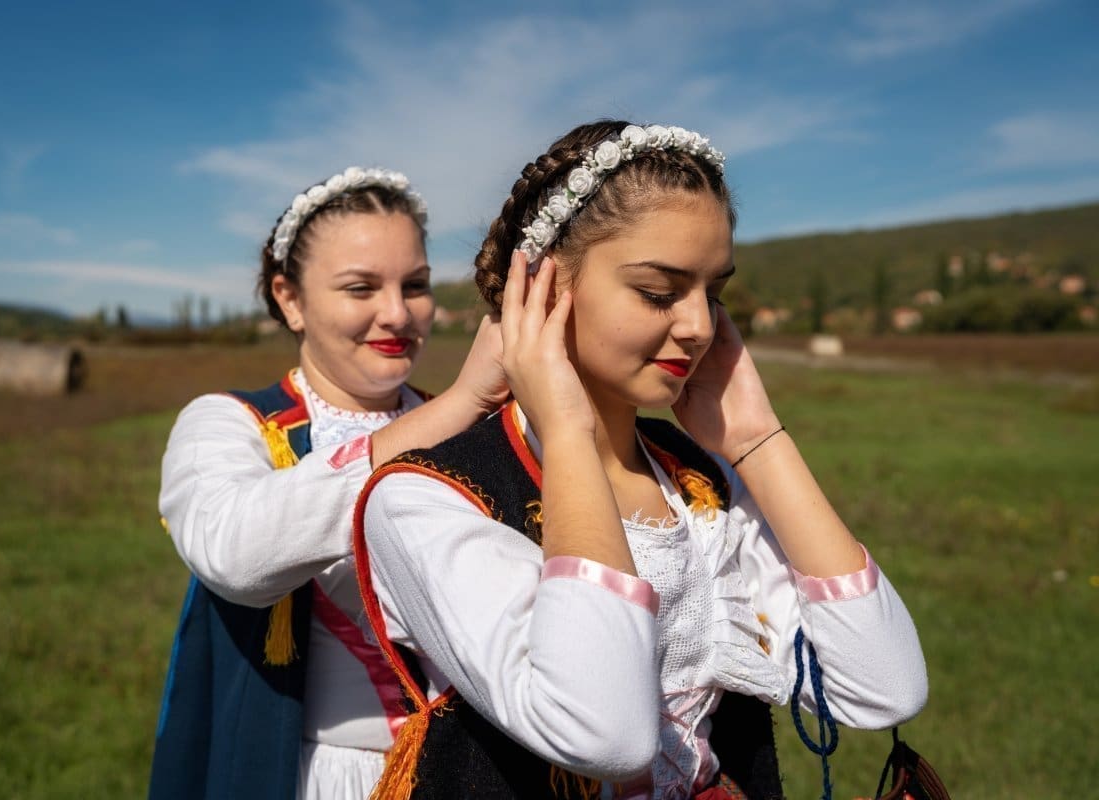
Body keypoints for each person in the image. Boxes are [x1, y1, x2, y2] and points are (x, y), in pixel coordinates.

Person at [354, 122, 928, 799]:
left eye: (714, 293)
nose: (700, 326)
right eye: (660, 292)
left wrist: (759, 441)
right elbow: (604, 733)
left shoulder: (701, 486)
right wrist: (567, 432)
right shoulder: (429, 497)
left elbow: (883, 688)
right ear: (543, 286)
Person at [147, 167, 507, 800]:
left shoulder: (476, 427)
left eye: (415, 285)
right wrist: (456, 407)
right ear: (290, 299)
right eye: (361, 287)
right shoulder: (230, 423)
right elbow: (234, 553)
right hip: (311, 775)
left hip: (465, 775)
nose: (398, 314)